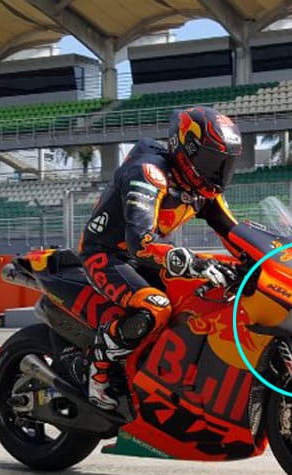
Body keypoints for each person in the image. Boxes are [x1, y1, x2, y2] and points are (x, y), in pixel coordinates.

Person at [71, 106, 243, 411]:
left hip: (147, 259)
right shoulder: (148, 172)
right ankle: (97, 371)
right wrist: (196, 261)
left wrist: (267, 258)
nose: (216, 172)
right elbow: (141, 243)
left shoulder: (201, 188)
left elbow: (235, 232)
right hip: (107, 254)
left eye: (224, 164)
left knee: (201, 299)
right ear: (184, 149)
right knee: (155, 307)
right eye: (210, 161)